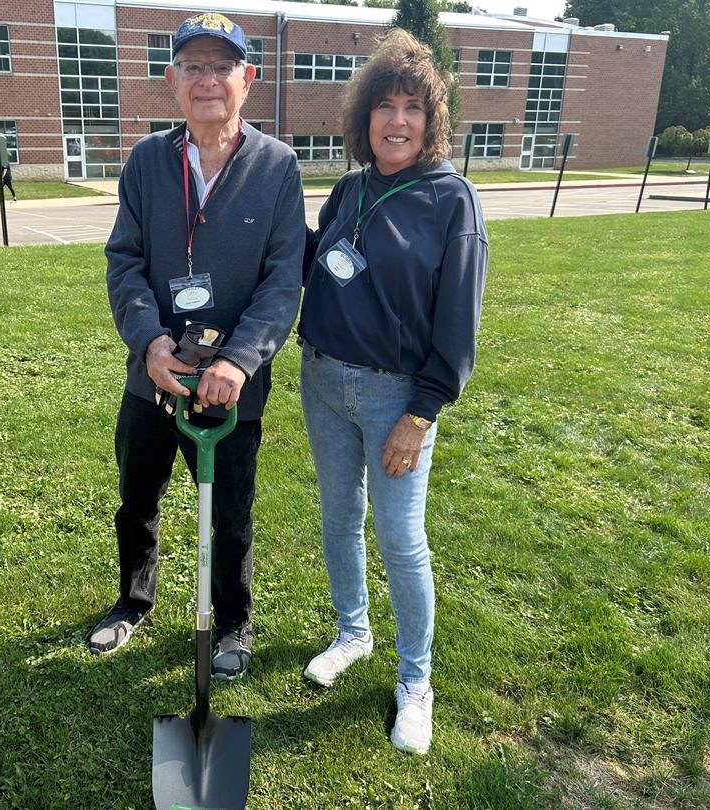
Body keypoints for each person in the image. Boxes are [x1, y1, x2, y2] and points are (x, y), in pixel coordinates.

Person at [91, 11, 305, 682]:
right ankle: (133, 601)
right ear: (171, 80)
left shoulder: (277, 166)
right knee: (137, 498)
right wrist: (150, 343)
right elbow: (125, 262)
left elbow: (282, 280)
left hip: (230, 385)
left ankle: (233, 622)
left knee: (230, 513)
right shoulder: (147, 161)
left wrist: (240, 361)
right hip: (154, 375)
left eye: (221, 66)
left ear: (248, 78)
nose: (207, 80)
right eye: (193, 67)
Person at [297, 28, 488, 754]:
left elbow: (458, 324)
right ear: (364, 116)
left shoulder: (452, 201)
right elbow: (315, 265)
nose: (397, 120)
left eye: (412, 107)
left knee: (402, 540)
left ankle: (416, 680)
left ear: (432, 119)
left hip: (396, 399)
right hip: (322, 379)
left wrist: (421, 412)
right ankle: (353, 633)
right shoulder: (349, 189)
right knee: (338, 518)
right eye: (385, 106)